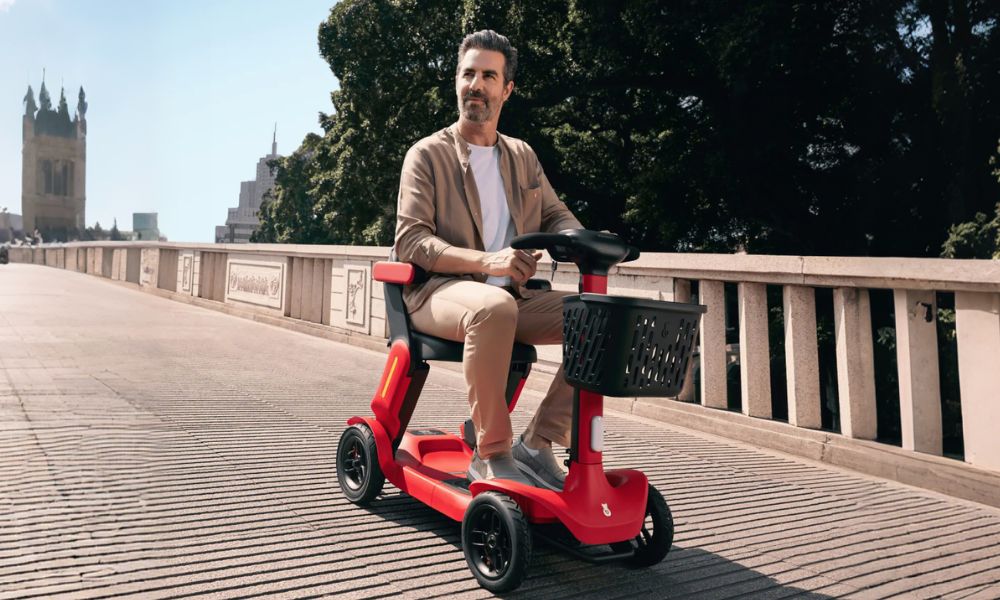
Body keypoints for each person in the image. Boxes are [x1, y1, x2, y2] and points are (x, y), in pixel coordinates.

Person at [394, 30, 582, 490]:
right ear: (457, 81)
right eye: (468, 73)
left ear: (507, 89)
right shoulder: (426, 154)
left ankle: (538, 445)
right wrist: (490, 260)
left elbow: (557, 215)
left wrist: (587, 241)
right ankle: (491, 453)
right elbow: (412, 241)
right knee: (492, 308)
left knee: (598, 320)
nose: (476, 84)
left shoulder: (522, 155)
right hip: (435, 293)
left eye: (488, 76)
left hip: (511, 298)